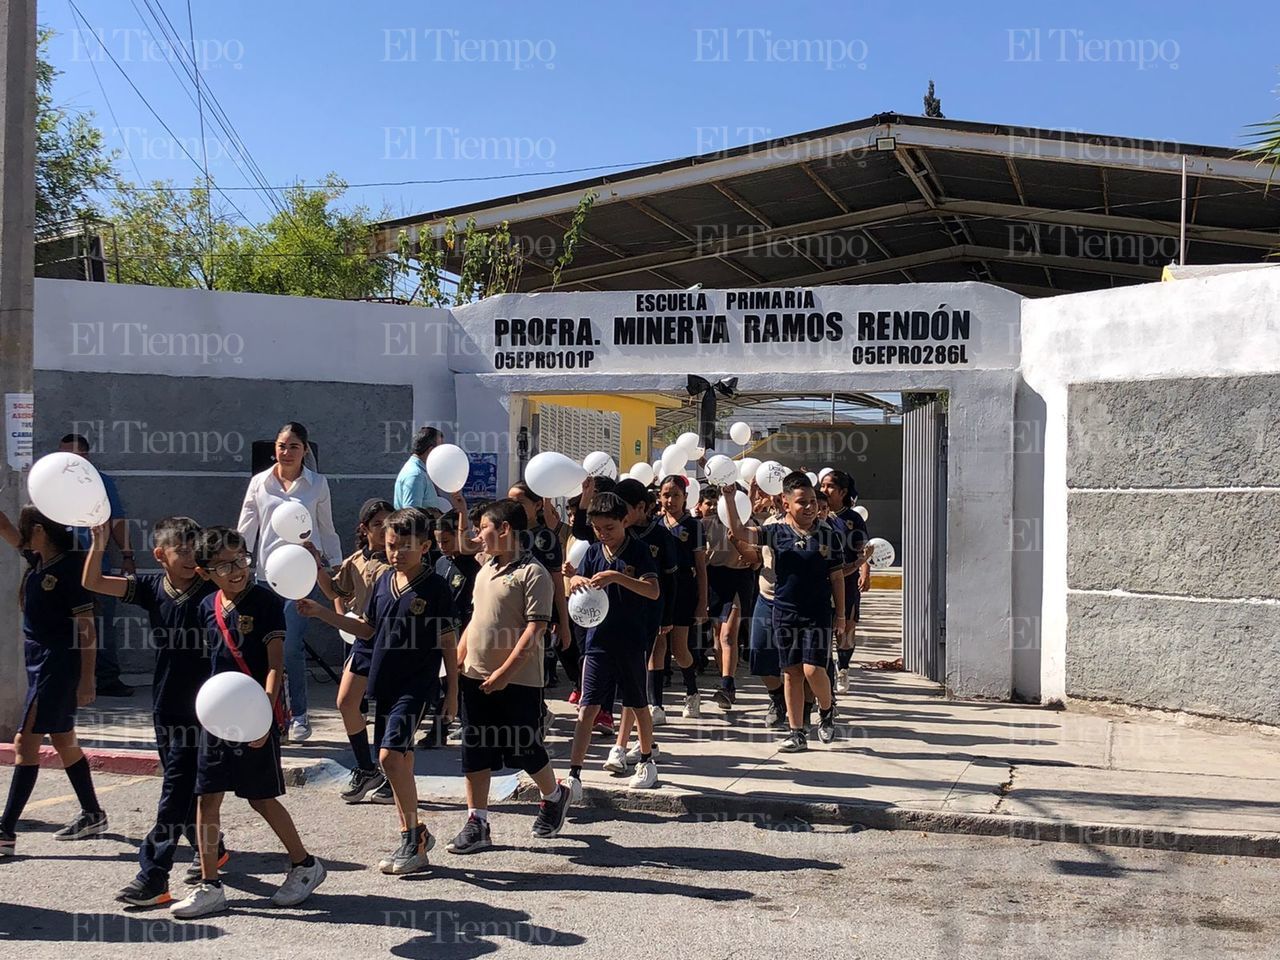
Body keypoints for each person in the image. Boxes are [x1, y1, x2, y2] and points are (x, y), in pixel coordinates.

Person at [172, 527, 326, 918]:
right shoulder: (206, 606)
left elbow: (275, 666)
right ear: (206, 572)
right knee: (206, 796)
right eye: (224, 565)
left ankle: (305, 864)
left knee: (260, 796)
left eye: (240, 559)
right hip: (217, 717)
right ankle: (210, 885)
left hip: (255, 715)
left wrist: (263, 718)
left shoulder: (265, 602)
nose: (237, 569)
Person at [299, 509, 457, 875]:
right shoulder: (385, 581)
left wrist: (452, 693)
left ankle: (412, 840)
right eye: (391, 545)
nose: (397, 552)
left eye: (406, 546)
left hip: (416, 686)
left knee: (388, 758)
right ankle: (413, 835)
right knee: (400, 760)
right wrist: (322, 613)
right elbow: (367, 630)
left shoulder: (436, 588)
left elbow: (448, 641)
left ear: (426, 547)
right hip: (384, 683)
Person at [83, 517, 219, 907]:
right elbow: (93, 583)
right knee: (184, 785)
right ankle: (214, 847)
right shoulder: (149, 587)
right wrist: (99, 542)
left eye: (197, 548)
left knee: (174, 789)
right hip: (165, 701)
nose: (193, 556)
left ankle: (154, 875)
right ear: (161, 555)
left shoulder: (211, 587)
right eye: (184, 549)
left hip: (204, 703)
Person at [446, 499, 571, 853]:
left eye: (484, 528)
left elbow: (535, 631)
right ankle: (478, 822)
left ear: (505, 530)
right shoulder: (486, 569)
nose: (478, 535)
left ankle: (553, 795)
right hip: (474, 676)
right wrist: (459, 656)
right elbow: (475, 619)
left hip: (519, 680)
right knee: (475, 750)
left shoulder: (534, 574)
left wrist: (504, 672)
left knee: (525, 748)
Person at [0, 506, 106, 858]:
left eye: (27, 528)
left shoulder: (70, 569)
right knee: (63, 740)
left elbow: (87, 628)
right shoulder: (39, 559)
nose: (22, 533)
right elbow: (6, 529)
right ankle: (93, 813)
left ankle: (5, 831)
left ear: (41, 531)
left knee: (24, 743)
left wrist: (88, 679)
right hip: (38, 663)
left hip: (56, 665)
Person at [237, 422, 343, 743]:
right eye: (282, 446)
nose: (286, 452)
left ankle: (299, 715)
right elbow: (246, 529)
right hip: (265, 578)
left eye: (293, 446)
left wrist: (335, 567)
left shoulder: (317, 485)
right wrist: (238, 566)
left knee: (291, 646)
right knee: (261, 646)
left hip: (301, 577)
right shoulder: (259, 483)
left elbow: (327, 529)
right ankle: (266, 713)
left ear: (305, 450)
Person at [723, 473, 844, 753]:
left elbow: (837, 577)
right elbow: (741, 532)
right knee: (791, 673)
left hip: (817, 613)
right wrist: (729, 498)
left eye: (813, 501)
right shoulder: (775, 532)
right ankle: (796, 731)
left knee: (813, 669)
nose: (810, 507)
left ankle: (826, 712)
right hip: (784, 611)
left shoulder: (828, 534)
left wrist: (841, 616)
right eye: (802, 502)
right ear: (786, 504)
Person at [562, 492, 661, 797]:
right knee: (587, 707)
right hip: (597, 640)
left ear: (624, 521)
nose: (604, 534)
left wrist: (618, 577)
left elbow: (653, 591)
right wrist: (575, 581)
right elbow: (580, 588)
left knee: (636, 702)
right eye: (598, 529)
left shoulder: (640, 551)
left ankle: (647, 761)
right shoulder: (592, 552)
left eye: (610, 528)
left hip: (631, 639)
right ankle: (574, 774)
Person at [315, 498, 393, 803]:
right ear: (365, 529)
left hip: (392, 641)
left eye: (389, 522)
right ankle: (365, 767)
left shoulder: (399, 559)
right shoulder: (356, 561)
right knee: (346, 701)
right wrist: (316, 565)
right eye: (377, 525)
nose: (385, 529)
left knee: (387, 710)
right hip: (363, 639)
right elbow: (335, 590)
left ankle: (391, 772)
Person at [59, 433, 135, 697]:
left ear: (86, 457)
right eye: (63, 455)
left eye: (74, 455)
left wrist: (128, 556)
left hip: (96, 569)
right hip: (61, 570)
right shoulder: (51, 484)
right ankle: (66, 679)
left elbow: (117, 521)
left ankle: (105, 678)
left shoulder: (101, 483)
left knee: (101, 625)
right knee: (62, 627)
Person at [507, 481, 575, 698]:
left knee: (534, 674)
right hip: (510, 615)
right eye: (510, 502)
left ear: (537, 505)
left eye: (520, 502)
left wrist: (563, 624)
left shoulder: (546, 538)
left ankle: (537, 715)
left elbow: (557, 582)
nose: (514, 507)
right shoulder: (506, 535)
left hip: (538, 617)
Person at [698, 486, 755, 711]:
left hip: (739, 580)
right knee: (717, 637)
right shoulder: (703, 526)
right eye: (710, 502)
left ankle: (727, 685)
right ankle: (725, 677)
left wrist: (740, 544)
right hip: (714, 579)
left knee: (728, 634)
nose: (714, 507)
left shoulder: (749, 527)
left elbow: (756, 560)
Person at [820, 471, 870, 695]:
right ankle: (825, 672)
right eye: (822, 485)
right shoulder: (818, 515)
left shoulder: (853, 518)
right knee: (824, 628)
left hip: (847, 580)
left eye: (830, 486)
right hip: (821, 581)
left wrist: (864, 571)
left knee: (846, 628)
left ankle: (844, 668)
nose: (825, 490)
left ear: (842, 492)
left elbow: (863, 549)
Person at [394, 426, 454, 513]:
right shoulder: (416, 475)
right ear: (431, 450)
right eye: (440, 449)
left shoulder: (418, 471)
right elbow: (411, 515)